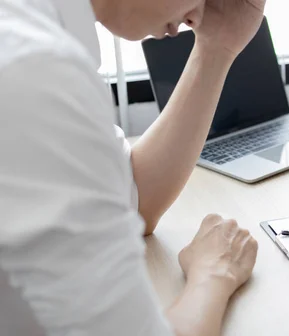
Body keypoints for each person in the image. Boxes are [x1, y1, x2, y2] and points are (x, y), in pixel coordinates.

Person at [0, 0, 264, 335]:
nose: (199, 14)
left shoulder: (35, 37)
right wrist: (215, 273)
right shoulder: (34, 71)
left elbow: (131, 198)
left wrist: (218, 45)